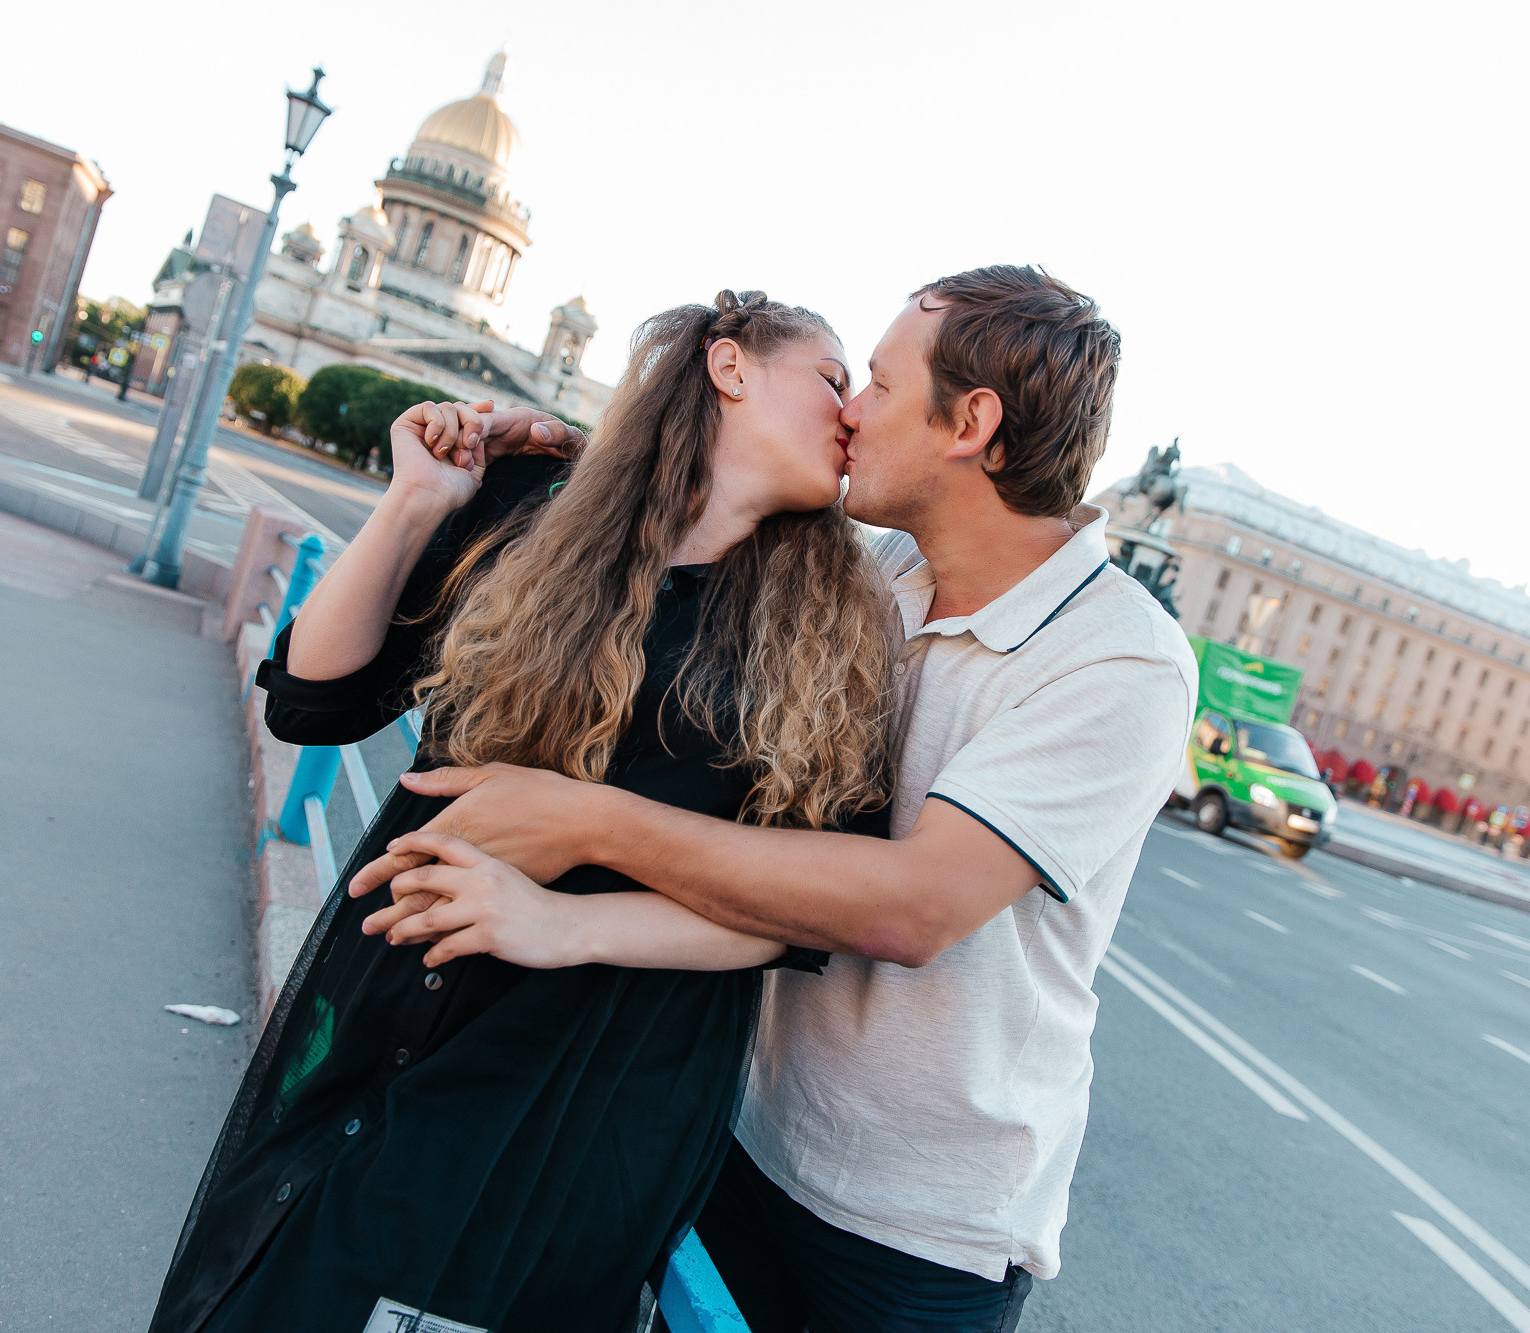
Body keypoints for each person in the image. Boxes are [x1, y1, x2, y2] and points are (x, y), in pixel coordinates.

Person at [351, 266, 1199, 1332]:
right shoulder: (883, 573)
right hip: (742, 1141)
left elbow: (912, 906)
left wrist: (584, 821)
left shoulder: (1118, 657)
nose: (849, 410)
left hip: (913, 1230)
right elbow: (716, 489)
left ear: (969, 423)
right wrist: (579, 447)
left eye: (879, 385)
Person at [148, 290, 899, 1333]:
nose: (852, 410)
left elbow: (797, 913)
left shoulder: (836, 626)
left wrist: (556, 922)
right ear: (727, 367)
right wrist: (415, 500)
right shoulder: (533, 512)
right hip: (388, 1007)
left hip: (580, 1095)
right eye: (830, 376)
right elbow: (312, 699)